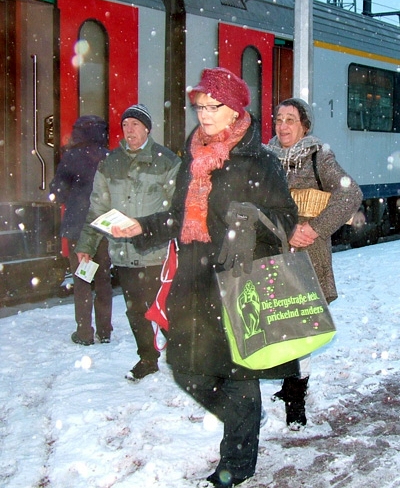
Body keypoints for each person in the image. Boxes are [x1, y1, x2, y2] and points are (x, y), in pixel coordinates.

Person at [110, 68, 299, 487]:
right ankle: (244, 421)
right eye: (200, 107)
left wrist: (254, 221)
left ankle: (236, 462)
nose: (205, 115)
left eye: (214, 107)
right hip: (194, 279)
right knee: (186, 370)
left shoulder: (260, 160)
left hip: (239, 278)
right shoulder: (193, 157)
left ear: (235, 110)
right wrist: (140, 227)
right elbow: (179, 217)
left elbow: (286, 219)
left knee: (237, 373)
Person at [267, 98, 363, 430]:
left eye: (290, 119)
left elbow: (351, 195)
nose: (283, 126)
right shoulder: (267, 158)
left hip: (307, 253)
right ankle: (288, 384)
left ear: (305, 125)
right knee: (280, 321)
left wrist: (314, 228)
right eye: (279, 119)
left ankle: (296, 398)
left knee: (300, 326)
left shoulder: (317, 155)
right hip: (273, 250)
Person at [75, 104, 181, 380]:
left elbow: (177, 211)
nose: (129, 130)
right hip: (124, 253)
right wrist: (86, 246)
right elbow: (97, 209)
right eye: (125, 125)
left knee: (165, 308)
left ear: (147, 128)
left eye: (135, 124)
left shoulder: (167, 161)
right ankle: (147, 358)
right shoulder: (110, 163)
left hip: (157, 252)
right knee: (136, 311)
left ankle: (183, 358)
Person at [49, 115, 113, 346]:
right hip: (103, 227)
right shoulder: (109, 157)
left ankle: (84, 332)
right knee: (103, 280)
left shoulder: (72, 156)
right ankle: (105, 331)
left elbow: (58, 191)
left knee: (82, 280)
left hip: (78, 228)